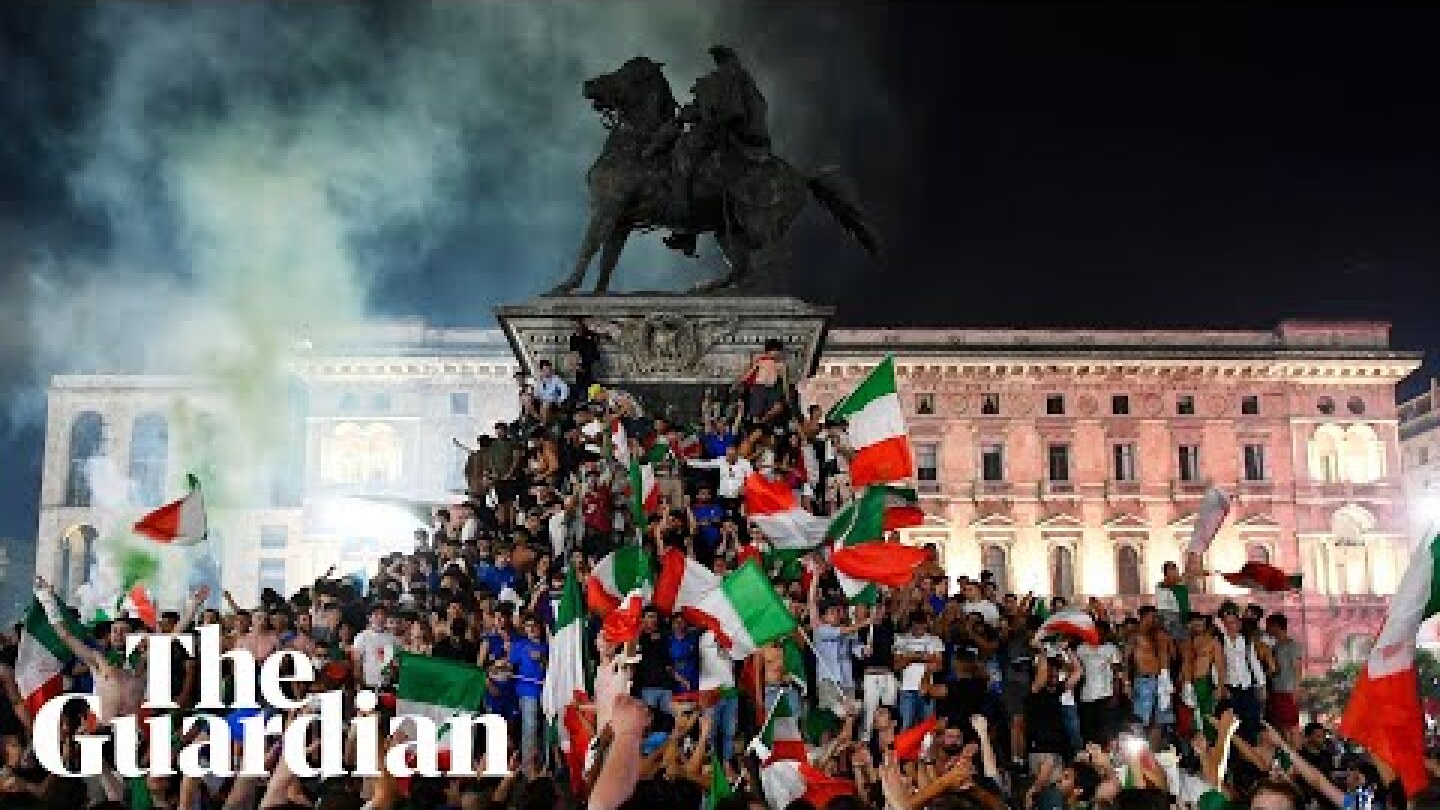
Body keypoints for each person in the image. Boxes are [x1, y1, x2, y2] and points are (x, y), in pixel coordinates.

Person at [1216, 602, 1266, 744]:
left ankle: (1252, 753)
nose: (1231, 625)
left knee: (1252, 721)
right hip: (1230, 687)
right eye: (1227, 622)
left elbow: (1254, 661)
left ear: (1238, 622)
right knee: (1233, 725)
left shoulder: (1245, 640)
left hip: (1247, 686)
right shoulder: (1220, 640)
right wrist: (1220, 686)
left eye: (1234, 622)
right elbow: (1217, 665)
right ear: (1223, 623)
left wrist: (1262, 685)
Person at [509, 613, 548, 771]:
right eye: (528, 626)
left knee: (546, 728)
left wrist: (543, 660)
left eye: (534, 626)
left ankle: (545, 765)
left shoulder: (548, 646)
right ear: (524, 629)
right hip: (527, 691)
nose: (531, 629)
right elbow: (510, 667)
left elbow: (553, 669)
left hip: (546, 692)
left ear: (540, 628)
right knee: (529, 727)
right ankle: (527, 769)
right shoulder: (519, 645)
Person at [892, 610, 943, 730]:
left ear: (926, 624)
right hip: (906, 690)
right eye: (916, 625)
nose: (919, 628)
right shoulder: (901, 639)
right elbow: (896, 666)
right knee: (905, 728)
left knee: (928, 729)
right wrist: (920, 657)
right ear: (911, 624)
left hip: (927, 690)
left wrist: (909, 657)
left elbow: (939, 665)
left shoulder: (935, 640)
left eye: (922, 625)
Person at [1075, 627, 1123, 747]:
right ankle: (1091, 759)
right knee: (1088, 732)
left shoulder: (1111, 648)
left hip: (1106, 694)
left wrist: (1116, 694)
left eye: (1102, 633)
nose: (1099, 635)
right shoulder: (1081, 648)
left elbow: (1117, 673)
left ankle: (1104, 759)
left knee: (1104, 731)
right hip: (1086, 696)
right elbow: (1076, 669)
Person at [1264, 612, 1303, 746]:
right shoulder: (1274, 647)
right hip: (1276, 690)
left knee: (1292, 726)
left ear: (1276, 626)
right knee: (1282, 726)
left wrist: (1296, 689)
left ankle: (1297, 755)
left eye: (1269, 626)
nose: (1266, 629)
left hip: (1287, 691)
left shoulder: (1292, 645)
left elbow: (1297, 668)